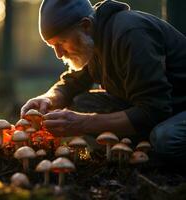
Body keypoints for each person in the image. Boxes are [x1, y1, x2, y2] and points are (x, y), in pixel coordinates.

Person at [20, 0, 186, 162]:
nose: (59, 54)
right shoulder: (90, 41)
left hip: (176, 109)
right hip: (159, 109)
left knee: (166, 139)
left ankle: (150, 152)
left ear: (85, 25)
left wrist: (83, 123)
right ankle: (138, 149)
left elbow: (154, 110)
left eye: (61, 42)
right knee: (80, 103)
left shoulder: (131, 34)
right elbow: (71, 84)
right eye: (52, 46)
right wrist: (48, 99)